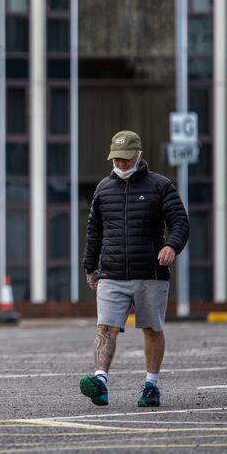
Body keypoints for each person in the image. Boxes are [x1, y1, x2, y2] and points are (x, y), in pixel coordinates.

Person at [79, 130, 189, 407]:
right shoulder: (103, 189)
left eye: (126, 158)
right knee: (106, 328)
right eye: (116, 159)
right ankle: (100, 381)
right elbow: (94, 232)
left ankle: (151, 385)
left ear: (139, 155)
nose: (121, 163)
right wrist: (90, 267)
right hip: (112, 273)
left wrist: (171, 246)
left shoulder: (160, 185)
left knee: (151, 329)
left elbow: (180, 223)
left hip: (150, 273)